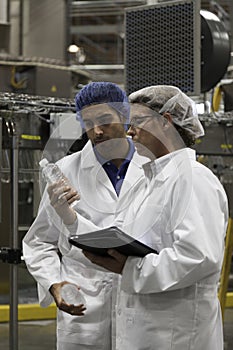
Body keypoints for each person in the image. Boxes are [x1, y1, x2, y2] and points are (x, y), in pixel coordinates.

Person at [81, 85, 229, 350]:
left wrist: (129, 268)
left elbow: (197, 256)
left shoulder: (193, 178)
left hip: (177, 335)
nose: (130, 131)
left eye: (137, 121)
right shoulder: (148, 181)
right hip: (146, 331)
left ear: (166, 121)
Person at [22, 82, 148, 350]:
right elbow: (39, 241)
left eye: (104, 120)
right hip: (85, 301)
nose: (97, 131)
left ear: (125, 117)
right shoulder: (65, 170)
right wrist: (54, 284)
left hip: (142, 297)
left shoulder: (153, 167)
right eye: (87, 123)